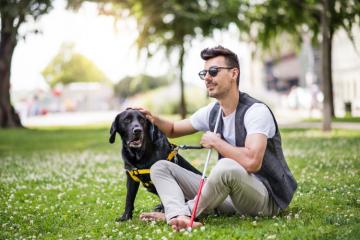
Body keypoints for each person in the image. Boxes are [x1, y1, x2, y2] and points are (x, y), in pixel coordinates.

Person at [137, 45, 297, 231]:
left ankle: (183, 213)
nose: (207, 78)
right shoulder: (213, 112)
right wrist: (151, 118)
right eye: (204, 73)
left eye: (213, 71)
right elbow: (173, 129)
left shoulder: (256, 112)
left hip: (265, 200)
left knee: (225, 166)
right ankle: (177, 216)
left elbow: (252, 162)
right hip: (230, 196)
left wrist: (217, 143)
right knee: (160, 167)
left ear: (233, 73)